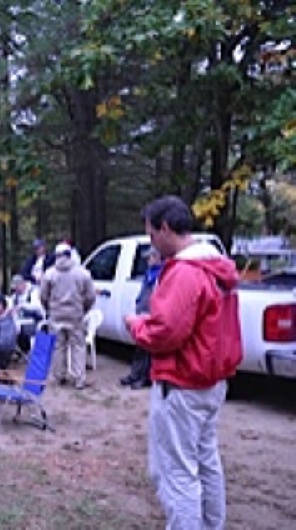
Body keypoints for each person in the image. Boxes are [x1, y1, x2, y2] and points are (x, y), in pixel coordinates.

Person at [124, 195, 242, 530]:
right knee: (205, 461)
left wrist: (136, 324)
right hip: (210, 382)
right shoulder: (215, 268)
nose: (151, 243)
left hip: (183, 383)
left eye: (150, 235)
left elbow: (165, 332)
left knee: (177, 473)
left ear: (164, 228)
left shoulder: (186, 273)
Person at [40, 242, 96, 389]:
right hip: (76, 315)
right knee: (78, 346)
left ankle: (59, 376)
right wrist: (84, 309)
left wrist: (48, 309)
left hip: (56, 315)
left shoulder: (49, 274)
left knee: (58, 347)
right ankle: (79, 379)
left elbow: (43, 296)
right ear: (69, 254)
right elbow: (91, 296)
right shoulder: (82, 273)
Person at [119, 247, 162, 390]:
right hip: (142, 311)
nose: (147, 260)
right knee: (139, 346)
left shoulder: (162, 274)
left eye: (150, 257)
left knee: (148, 349)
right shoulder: (148, 274)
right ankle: (134, 374)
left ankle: (145, 378)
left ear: (158, 257)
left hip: (152, 314)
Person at [8, 275, 44, 353]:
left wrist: (22, 306)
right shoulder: (15, 297)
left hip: (36, 321)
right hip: (20, 322)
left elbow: (38, 307)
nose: (16, 290)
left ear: (22, 284)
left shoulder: (34, 292)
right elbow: (11, 308)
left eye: (17, 287)